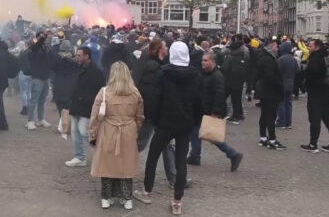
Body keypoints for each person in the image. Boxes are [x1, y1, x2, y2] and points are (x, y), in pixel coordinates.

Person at [133, 41, 200, 215]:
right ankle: (177, 201)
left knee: (153, 155)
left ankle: (147, 191)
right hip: (185, 124)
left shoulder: (162, 74)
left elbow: (154, 99)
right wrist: (193, 121)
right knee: (181, 161)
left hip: (165, 122)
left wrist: (155, 119)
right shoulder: (195, 76)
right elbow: (199, 103)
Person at [89, 62, 144, 210]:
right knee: (126, 164)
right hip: (129, 130)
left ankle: (106, 196)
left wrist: (93, 134)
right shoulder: (135, 93)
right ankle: (126, 197)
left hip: (108, 130)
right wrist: (135, 130)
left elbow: (95, 116)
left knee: (107, 164)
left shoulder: (104, 92)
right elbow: (140, 117)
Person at [187, 52, 244, 171]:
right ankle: (195, 155)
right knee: (196, 132)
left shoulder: (217, 76)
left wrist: (216, 112)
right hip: (200, 109)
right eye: (202, 60)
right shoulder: (203, 74)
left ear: (213, 62)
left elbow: (220, 94)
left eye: (206, 60)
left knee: (211, 135)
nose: (203, 62)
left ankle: (232, 153)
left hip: (209, 111)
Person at [65, 47, 105, 167]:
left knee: (85, 132)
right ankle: (80, 157)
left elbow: (101, 90)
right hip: (76, 105)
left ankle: (102, 155)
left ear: (87, 56)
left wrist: (86, 99)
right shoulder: (79, 68)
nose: (77, 57)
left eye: (79, 55)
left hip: (87, 107)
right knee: (75, 132)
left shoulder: (96, 71)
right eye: (77, 55)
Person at [301, 39, 329, 154]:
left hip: (316, 93)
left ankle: (313, 145)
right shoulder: (327, 57)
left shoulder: (315, 59)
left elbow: (312, 75)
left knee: (315, 119)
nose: (308, 47)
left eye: (311, 45)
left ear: (317, 47)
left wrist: (304, 79)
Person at [255, 38, 287, 150]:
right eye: (276, 46)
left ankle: (263, 138)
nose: (278, 48)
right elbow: (269, 76)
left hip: (265, 91)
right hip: (270, 92)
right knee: (271, 116)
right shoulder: (268, 59)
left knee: (264, 115)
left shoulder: (263, 57)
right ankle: (272, 140)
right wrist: (280, 83)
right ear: (271, 46)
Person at [26, 32, 51, 130]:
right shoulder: (34, 48)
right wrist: (43, 36)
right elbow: (37, 44)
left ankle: (41, 119)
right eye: (41, 37)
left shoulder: (45, 48)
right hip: (37, 77)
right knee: (34, 100)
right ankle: (30, 120)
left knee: (42, 100)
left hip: (45, 77)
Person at [221, 35, 250, 124]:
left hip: (229, 82)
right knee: (237, 99)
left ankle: (223, 114)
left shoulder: (229, 58)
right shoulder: (243, 58)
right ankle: (237, 115)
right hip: (239, 82)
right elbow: (246, 70)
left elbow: (224, 68)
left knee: (222, 97)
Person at [49, 40, 79, 118]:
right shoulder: (75, 59)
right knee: (69, 106)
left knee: (61, 106)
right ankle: (68, 124)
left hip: (60, 84)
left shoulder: (58, 57)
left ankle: (62, 124)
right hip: (72, 85)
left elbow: (52, 67)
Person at [276, 41, 298, 129]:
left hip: (282, 83)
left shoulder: (280, 60)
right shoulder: (294, 60)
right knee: (289, 103)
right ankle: (288, 122)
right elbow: (297, 71)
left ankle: (281, 122)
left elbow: (277, 72)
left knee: (281, 103)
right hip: (291, 83)